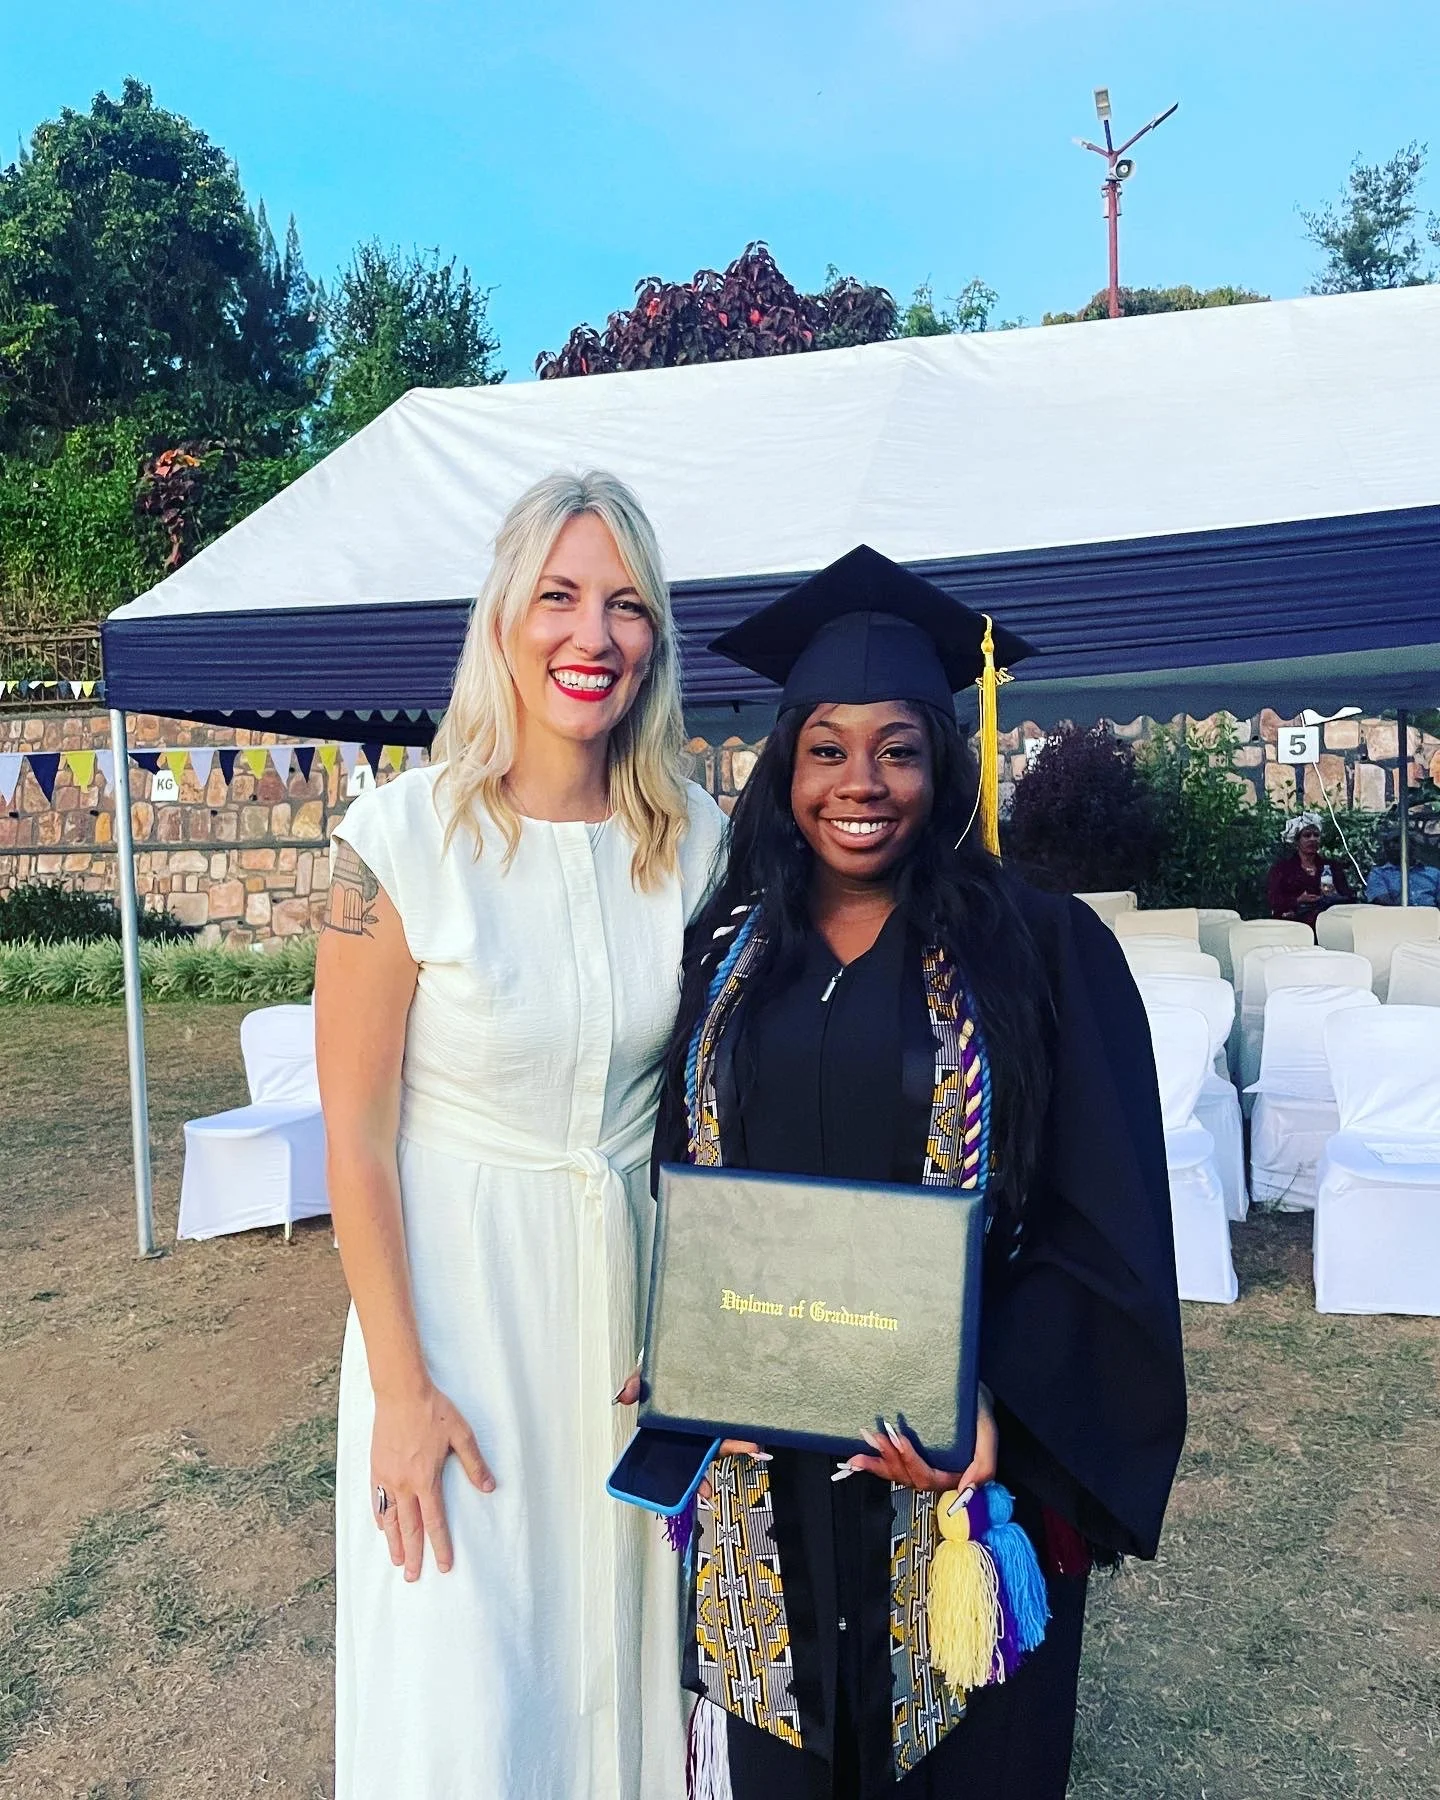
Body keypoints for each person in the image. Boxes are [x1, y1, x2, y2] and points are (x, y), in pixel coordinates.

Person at [654, 546, 1188, 1799]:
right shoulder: (731, 957)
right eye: (826, 748)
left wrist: (995, 1402)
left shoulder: (1043, 949)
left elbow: (1109, 1229)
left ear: (944, 762)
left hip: (957, 1469)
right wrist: (680, 1331)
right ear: (785, 767)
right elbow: (693, 1172)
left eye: (898, 746)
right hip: (769, 1466)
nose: (861, 783)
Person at [316, 471, 727, 1800]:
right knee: (469, 1699)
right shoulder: (393, 841)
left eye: (626, 606)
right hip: (455, 1327)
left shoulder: (700, 841)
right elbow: (357, 1140)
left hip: (628, 1322)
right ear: (503, 616)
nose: (590, 638)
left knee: (617, 1665)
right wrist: (401, 1393)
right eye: (558, 596)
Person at [1266, 813, 1354, 928]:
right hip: (1293, 924)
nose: (1312, 839)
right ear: (1296, 841)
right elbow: (1273, 900)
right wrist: (1298, 900)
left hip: (1328, 924)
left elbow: (1348, 897)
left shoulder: (1331, 867)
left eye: (1316, 835)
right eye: (1307, 836)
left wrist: (1333, 895)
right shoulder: (1282, 869)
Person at [1364, 821, 1440, 906]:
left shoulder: (1433, 873)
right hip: (1396, 917)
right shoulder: (1379, 874)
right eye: (1388, 844)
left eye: (1398, 841)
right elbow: (1384, 903)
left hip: (1430, 917)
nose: (1392, 846)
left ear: (1413, 845)